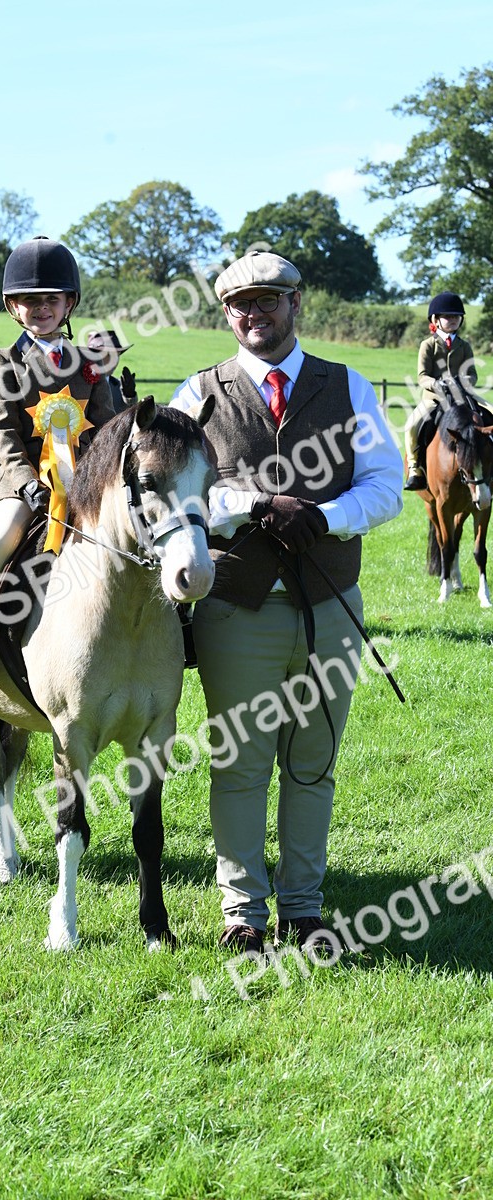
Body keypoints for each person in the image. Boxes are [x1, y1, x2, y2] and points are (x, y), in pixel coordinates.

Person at [170, 250, 402, 955]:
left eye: (268, 299)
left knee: (312, 765)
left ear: (297, 303)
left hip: (331, 608)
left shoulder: (348, 385)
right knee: (239, 767)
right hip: (237, 609)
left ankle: (303, 908)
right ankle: (243, 912)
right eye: (239, 302)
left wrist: (325, 517)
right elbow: (178, 494)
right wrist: (254, 504)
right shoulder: (197, 393)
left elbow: (387, 483)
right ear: (226, 312)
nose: (254, 312)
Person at [0, 237, 115, 694]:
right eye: (29, 301)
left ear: (68, 304)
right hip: (24, 482)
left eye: (50, 300)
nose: (40, 308)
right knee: (3, 538)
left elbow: (105, 426)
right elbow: (1, 431)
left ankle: (176, 626)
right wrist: (27, 484)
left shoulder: (89, 363)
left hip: (86, 480)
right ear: (12, 307)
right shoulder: (2, 360)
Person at [403, 292, 478, 491]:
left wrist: (461, 382)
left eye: (456, 317)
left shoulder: (465, 346)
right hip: (435, 398)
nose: (452, 320)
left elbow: (472, 374)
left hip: (463, 397)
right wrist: (438, 384)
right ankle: (414, 469)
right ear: (436, 320)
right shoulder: (427, 345)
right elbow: (422, 376)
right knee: (411, 425)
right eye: (447, 316)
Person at [86, 329, 137, 413]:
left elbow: (130, 419)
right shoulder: (79, 382)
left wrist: (130, 397)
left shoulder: (120, 388)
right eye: (109, 355)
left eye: (117, 356)